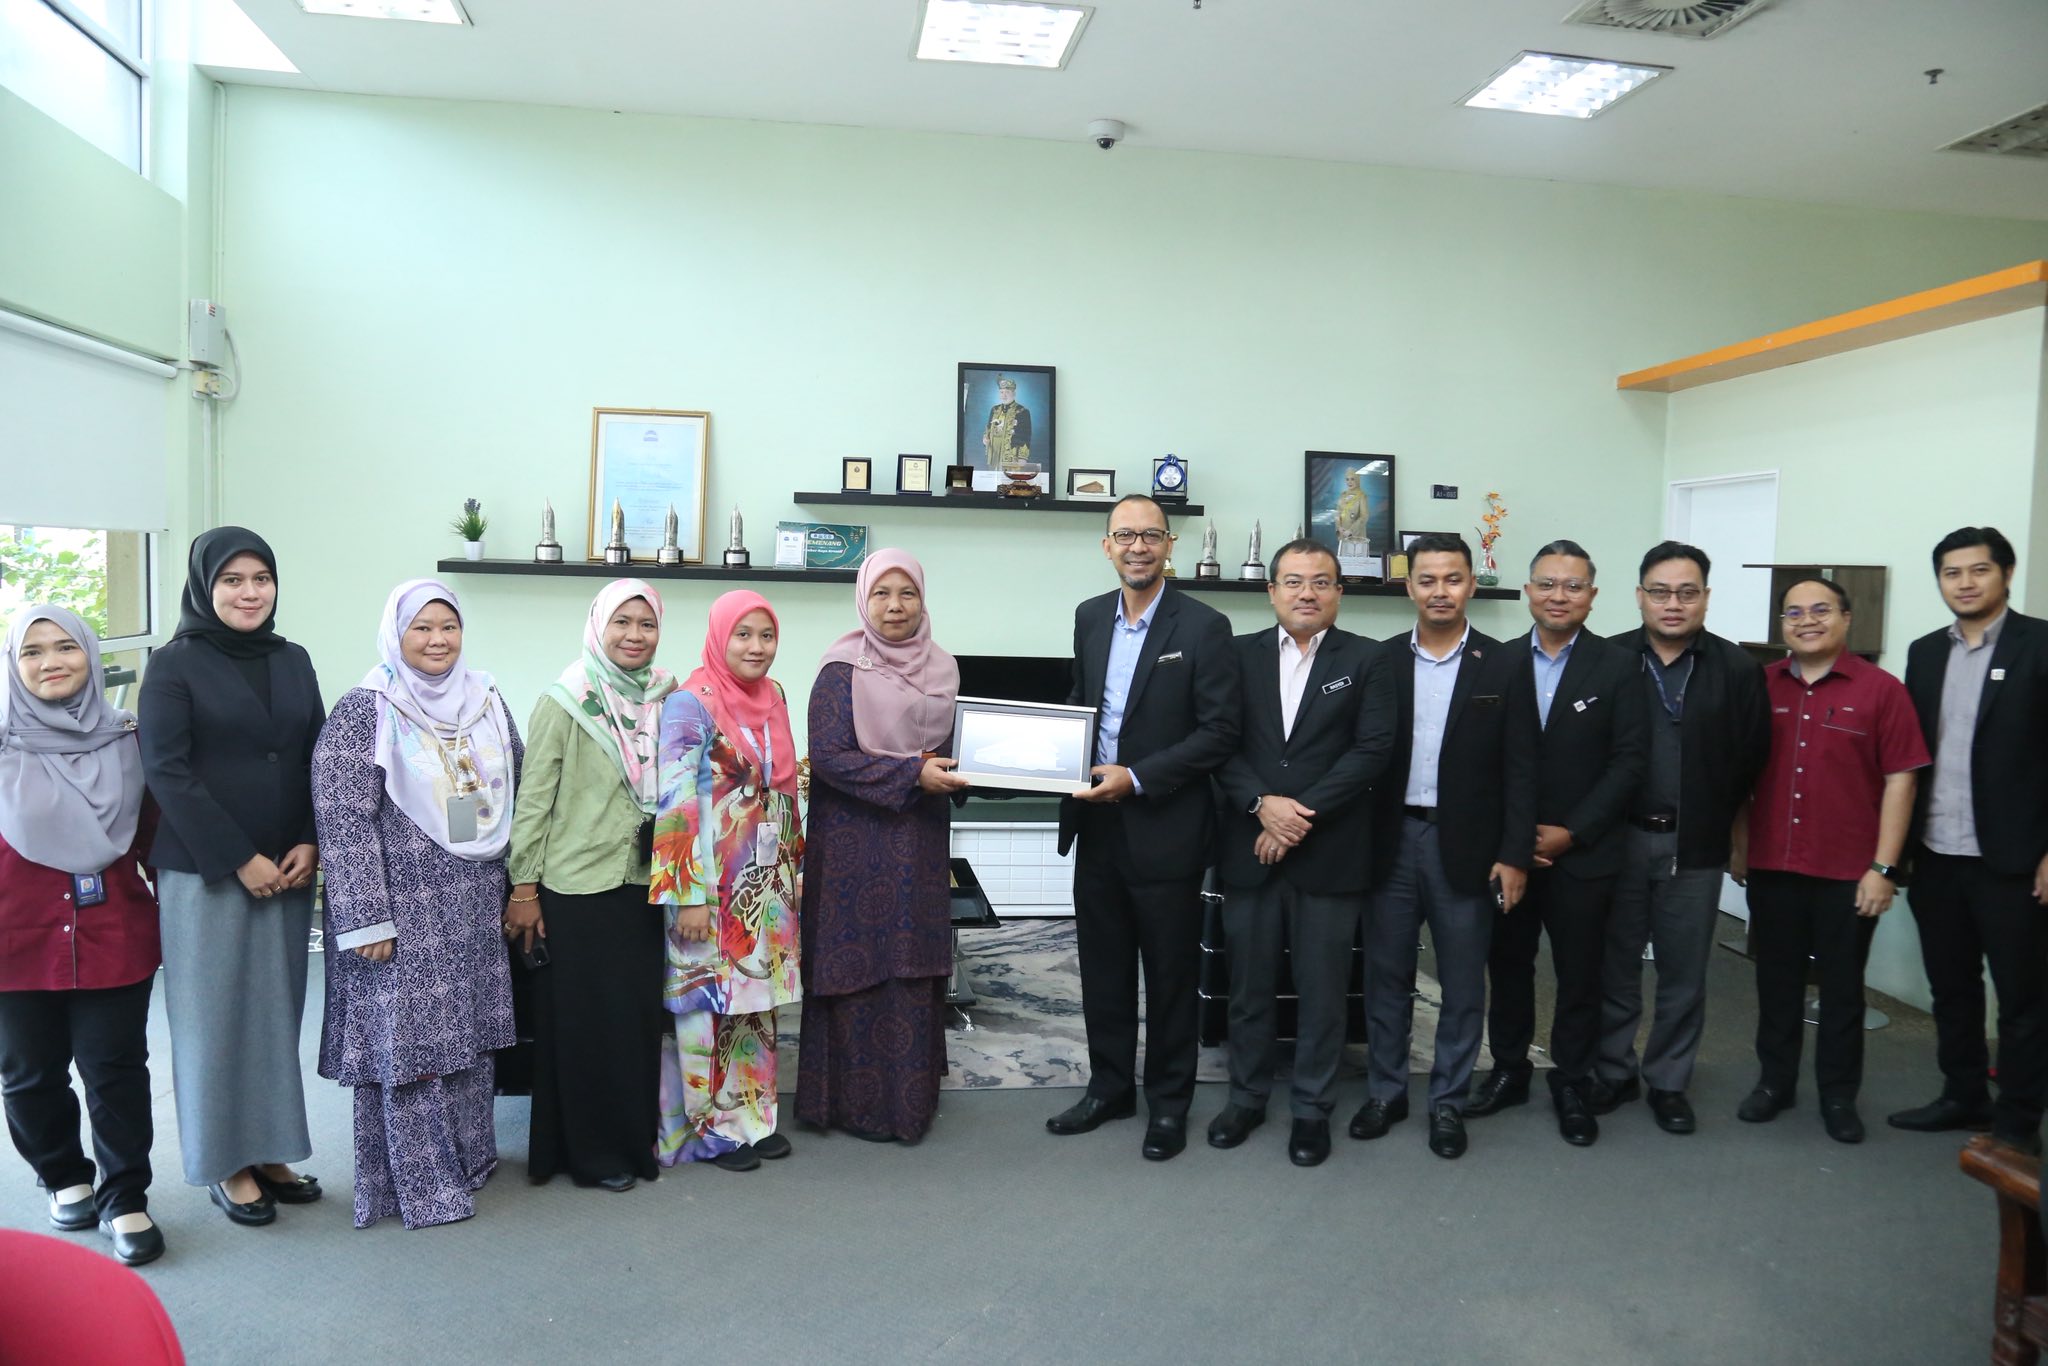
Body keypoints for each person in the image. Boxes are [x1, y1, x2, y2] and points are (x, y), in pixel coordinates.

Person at [313, 580, 523, 1228]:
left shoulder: (485, 700)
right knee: (410, 1047)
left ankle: (468, 1160)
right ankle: (420, 1185)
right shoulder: (367, 709)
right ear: (395, 634)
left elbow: (515, 786)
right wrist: (363, 919)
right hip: (401, 912)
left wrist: (519, 886)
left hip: (474, 900)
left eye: (448, 626)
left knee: (469, 1036)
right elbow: (342, 819)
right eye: (421, 628)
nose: (437, 640)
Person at [138, 527, 325, 1225]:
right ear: (204, 586)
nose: (250, 593)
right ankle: (224, 1162)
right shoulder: (173, 665)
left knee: (275, 1015)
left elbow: (315, 755)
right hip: (208, 870)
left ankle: (270, 1149)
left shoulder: (293, 659)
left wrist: (309, 838)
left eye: (261, 579)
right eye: (233, 580)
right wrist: (238, 856)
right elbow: (167, 771)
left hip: (287, 866)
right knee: (213, 1019)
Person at [1046, 495, 1240, 1161]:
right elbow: (1082, 705)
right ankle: (1109, 1088)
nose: (1137, 547)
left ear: (1168, 546)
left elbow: (1220, 732)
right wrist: (1044, 757)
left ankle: (1168, 1103)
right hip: (1096, 824)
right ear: (1107, 546)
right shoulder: (1089, 616)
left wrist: (1138, 776)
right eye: (1125, 535)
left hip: (1166, 828)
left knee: (1169, 975)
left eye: (1150, 536)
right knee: (1102, 970)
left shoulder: (1206, 626)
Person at [1207, 540, 1393, 1167]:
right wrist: (1261, 804)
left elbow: (1371, 751)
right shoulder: (1237, 656)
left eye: (1320, 582)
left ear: (1339, 592)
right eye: (1293, 581)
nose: (1306, 593)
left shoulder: (1368, 659)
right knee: (1248, 987)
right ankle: (1247, 1098)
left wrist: (1293, 817)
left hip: (1330, 853)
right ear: (1272, 591)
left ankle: (1313, 1108)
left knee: (1323, 991)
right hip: (1250, 848)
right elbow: (1219, 743)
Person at [1359, 533, 1536, 1160]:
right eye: (1428, 579)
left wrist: (1514, 854)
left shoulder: (1504, 663)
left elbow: (1522, 769)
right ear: (1409, 586)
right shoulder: (1380, 661)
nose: (1440, 591)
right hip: (1391, 841)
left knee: (1462, 983)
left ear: (1471, 585)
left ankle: (1447, 1103)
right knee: (1386, 976)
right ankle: (1386, 1093)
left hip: (1469, 846)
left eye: (1453, 579)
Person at [0, 606, 165, 1266]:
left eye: (66, 646)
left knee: (115, 1071)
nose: (51, 662)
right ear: (14, 666)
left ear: (92, 657)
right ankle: (64, 1176)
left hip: (113, 934)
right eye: (32, 651)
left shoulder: (130, 741)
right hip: (14, 941)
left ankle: (125, 1198)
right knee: (28, 1074)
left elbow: (155, 839)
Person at [1470, 540, 1647, 1147]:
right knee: (1508, 965)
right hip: (1509, 852)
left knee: (1580, 973)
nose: (1558, 596)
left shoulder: (1619, 666)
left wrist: (1573, 831)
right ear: (1527, 591)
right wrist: (1514, 839)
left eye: (1573, 586)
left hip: (1584, 853)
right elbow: (1481, 761)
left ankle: (1572, 1080)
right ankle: (1509, 1070)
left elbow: (1629, 762)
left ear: (1592, 596)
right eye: (1547, 583)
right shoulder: (1494, 661)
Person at [1741, 578, 1928, 1143]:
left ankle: (1838, 1095)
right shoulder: (1760, 685)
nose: (1807, 621)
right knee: (1776, 982)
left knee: (1842, 990)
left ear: (1847, 618)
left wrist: (1884, 869)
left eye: (1820, 610)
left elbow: (1901, 781)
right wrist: (1739, 847)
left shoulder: (1882, 690)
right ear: (1782, 625)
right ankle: (1774, 1082)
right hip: (1773, 865)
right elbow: (1738, 774)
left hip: (1849, 872)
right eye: (1794, 613)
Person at [1592, 542, 1770, 1135]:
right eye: (1661, 592)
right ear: (1640, 596)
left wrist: (1739, 839)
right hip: (1617, 843)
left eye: (1687, 593)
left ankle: (1668, 1081)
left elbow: (1750, 762)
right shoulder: (1608, 659)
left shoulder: (1737, 669)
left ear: (1706, 598)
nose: (1674, 604)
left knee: (1684, 973)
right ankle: (1614, 1070)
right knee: (1614, 966)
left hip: (1694, 845)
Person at [504, 578, 675, 1191]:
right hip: (575, 886)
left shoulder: (665, 696)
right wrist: (524, 888)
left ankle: (631, 1142)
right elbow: (534, 800)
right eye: (621, 622)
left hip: (643, 883)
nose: (635, 635)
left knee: (632, 1021)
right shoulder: (567, 699)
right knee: (582, 1024)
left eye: (647, 624)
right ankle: (587, 1154)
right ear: (599, 626)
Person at [797, 551, 968, 1144]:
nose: (895, 606)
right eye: (881, 594)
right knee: (855, 962)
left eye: (907, 594)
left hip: (918, 842)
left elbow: (958, 749)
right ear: (863, 600)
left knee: (911, 961)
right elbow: (829, 757)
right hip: (853, 842)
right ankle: (848, 1105)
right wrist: (912, 774)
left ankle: (908, 1105)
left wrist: (976, 771)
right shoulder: (839, 671)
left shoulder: (944, 670)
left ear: (923, 599)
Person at [1892, 527, 2048, 1152]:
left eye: (1978, 570)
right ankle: (1962, 1096)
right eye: (1951, 572)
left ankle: (2017, 1123)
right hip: (1936, 854)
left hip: (2014, 860)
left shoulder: (2040, 645)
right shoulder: (1926, 652)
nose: (1964, 583)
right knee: (1951, 989)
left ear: (2006, 573)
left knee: (2023, 1000)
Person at [651, 590, 803, 1171]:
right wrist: (687, 894)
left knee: (756, 1003)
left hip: (765, 882)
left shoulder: (775, 695)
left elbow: (781, 788)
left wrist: (792, 870)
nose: (756, 647)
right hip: (708, 885)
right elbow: (676, 802)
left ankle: (752, 1120)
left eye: (766, 635)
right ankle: (708, 1130)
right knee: (704, 1006)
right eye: (743, 634)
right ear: (719, 637)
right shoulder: (690, 703)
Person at [981, 376, 1033, 474]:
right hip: (993, 454)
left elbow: (1026, 436)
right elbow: (988, 428)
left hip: (1011, 455)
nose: (1004, 395)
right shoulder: (994, 409)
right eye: (1001, 392)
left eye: (1007, 392)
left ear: (1014, 394)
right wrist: (985, 438)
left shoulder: (1022, 411)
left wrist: (1022, 457)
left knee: (1008, 481)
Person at [1333, 469, 1371, 558]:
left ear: (1357, 480)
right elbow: (1337, 513)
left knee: (1357, 563)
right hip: (1343, 536)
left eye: (1352, 479)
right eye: (1347, 479)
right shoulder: (1343, 495)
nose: (1349, 482)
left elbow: (1364, 516)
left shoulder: (1362, 496)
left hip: (1357, 537)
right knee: (1343, 562)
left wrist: (1351, 531)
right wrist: (1339, 527)